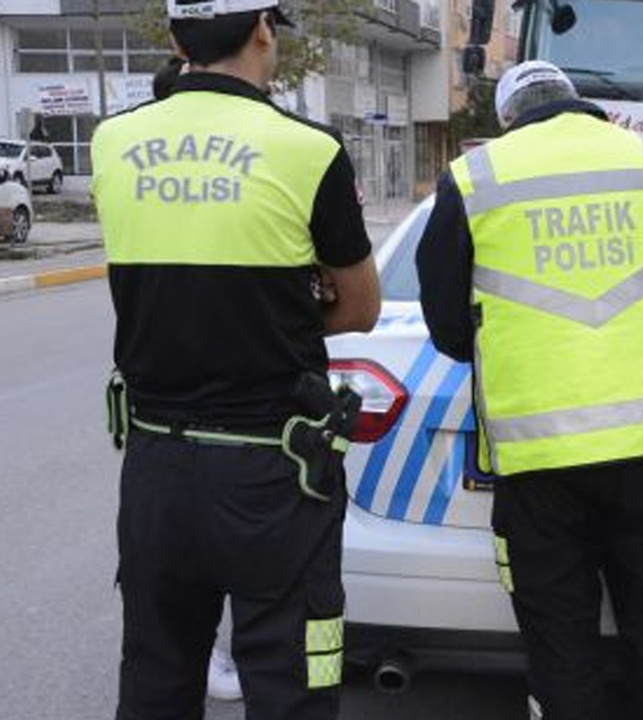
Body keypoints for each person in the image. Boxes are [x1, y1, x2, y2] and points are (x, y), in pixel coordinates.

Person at [92, 1, 380, 719]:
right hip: (272, 469)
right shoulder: (308, 149)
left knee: (157, 672)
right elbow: (360, 307)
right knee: (291, 680)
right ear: (262, 29)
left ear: (174, 37)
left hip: (156, 464)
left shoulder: (110, 140)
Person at [416, 60, 643, 720]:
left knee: (561, 649)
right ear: (579, 104)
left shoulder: (474, 178)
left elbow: (444, 325)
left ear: (509, 119)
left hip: (537, 464)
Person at [147, 49, 244, 706]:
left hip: (162, 432)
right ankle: (220, 651)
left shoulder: (127, 160)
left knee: (169, 597)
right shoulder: (267, 155)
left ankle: (211, 651)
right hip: (250, 429)